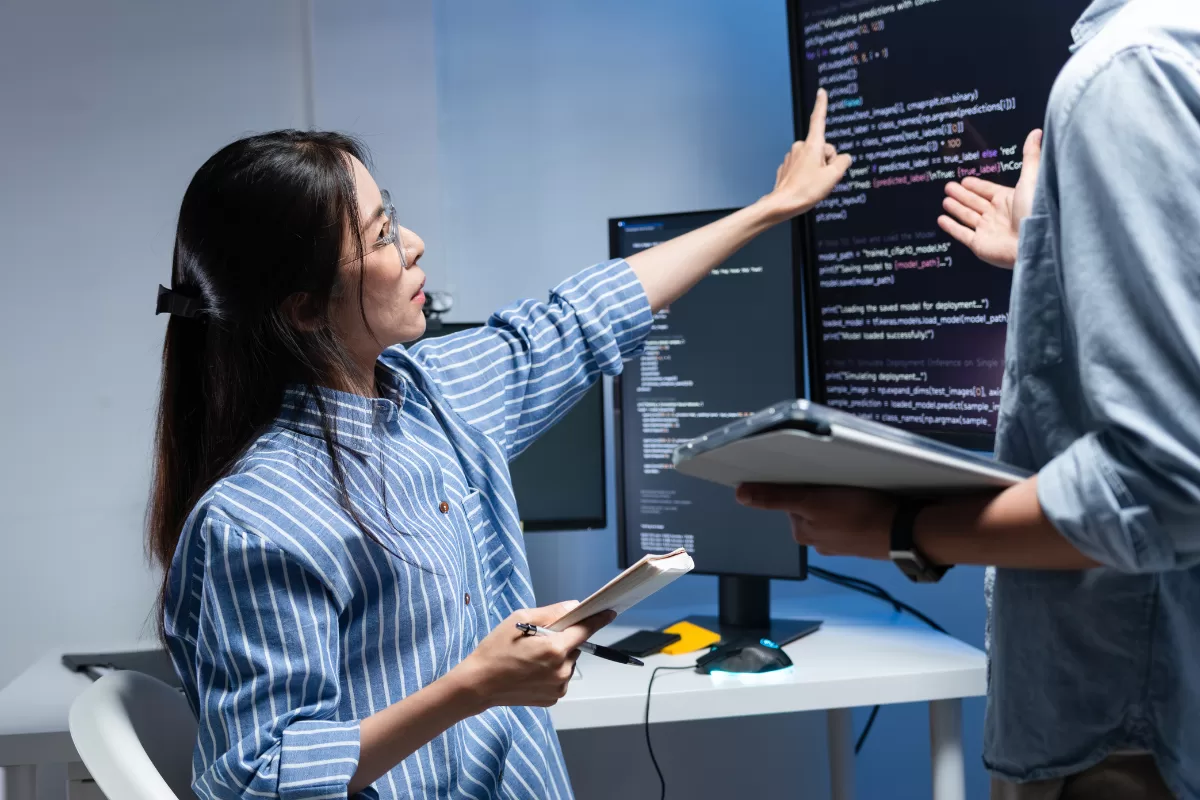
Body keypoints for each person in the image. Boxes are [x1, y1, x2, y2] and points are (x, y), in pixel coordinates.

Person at [146, 93, 849, 800]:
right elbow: (259, 779)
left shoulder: (431, 393)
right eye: (383, 233)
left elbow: (579, 320)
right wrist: (474, 686)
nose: (413, 242)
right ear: (303, 306)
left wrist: (772, 207)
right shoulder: (257, 520)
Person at [737, 1, 1200, 798]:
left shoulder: (1125, 69)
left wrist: (899, 529)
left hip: (1119, 727)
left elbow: (1163, 487)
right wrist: (1051, 258)